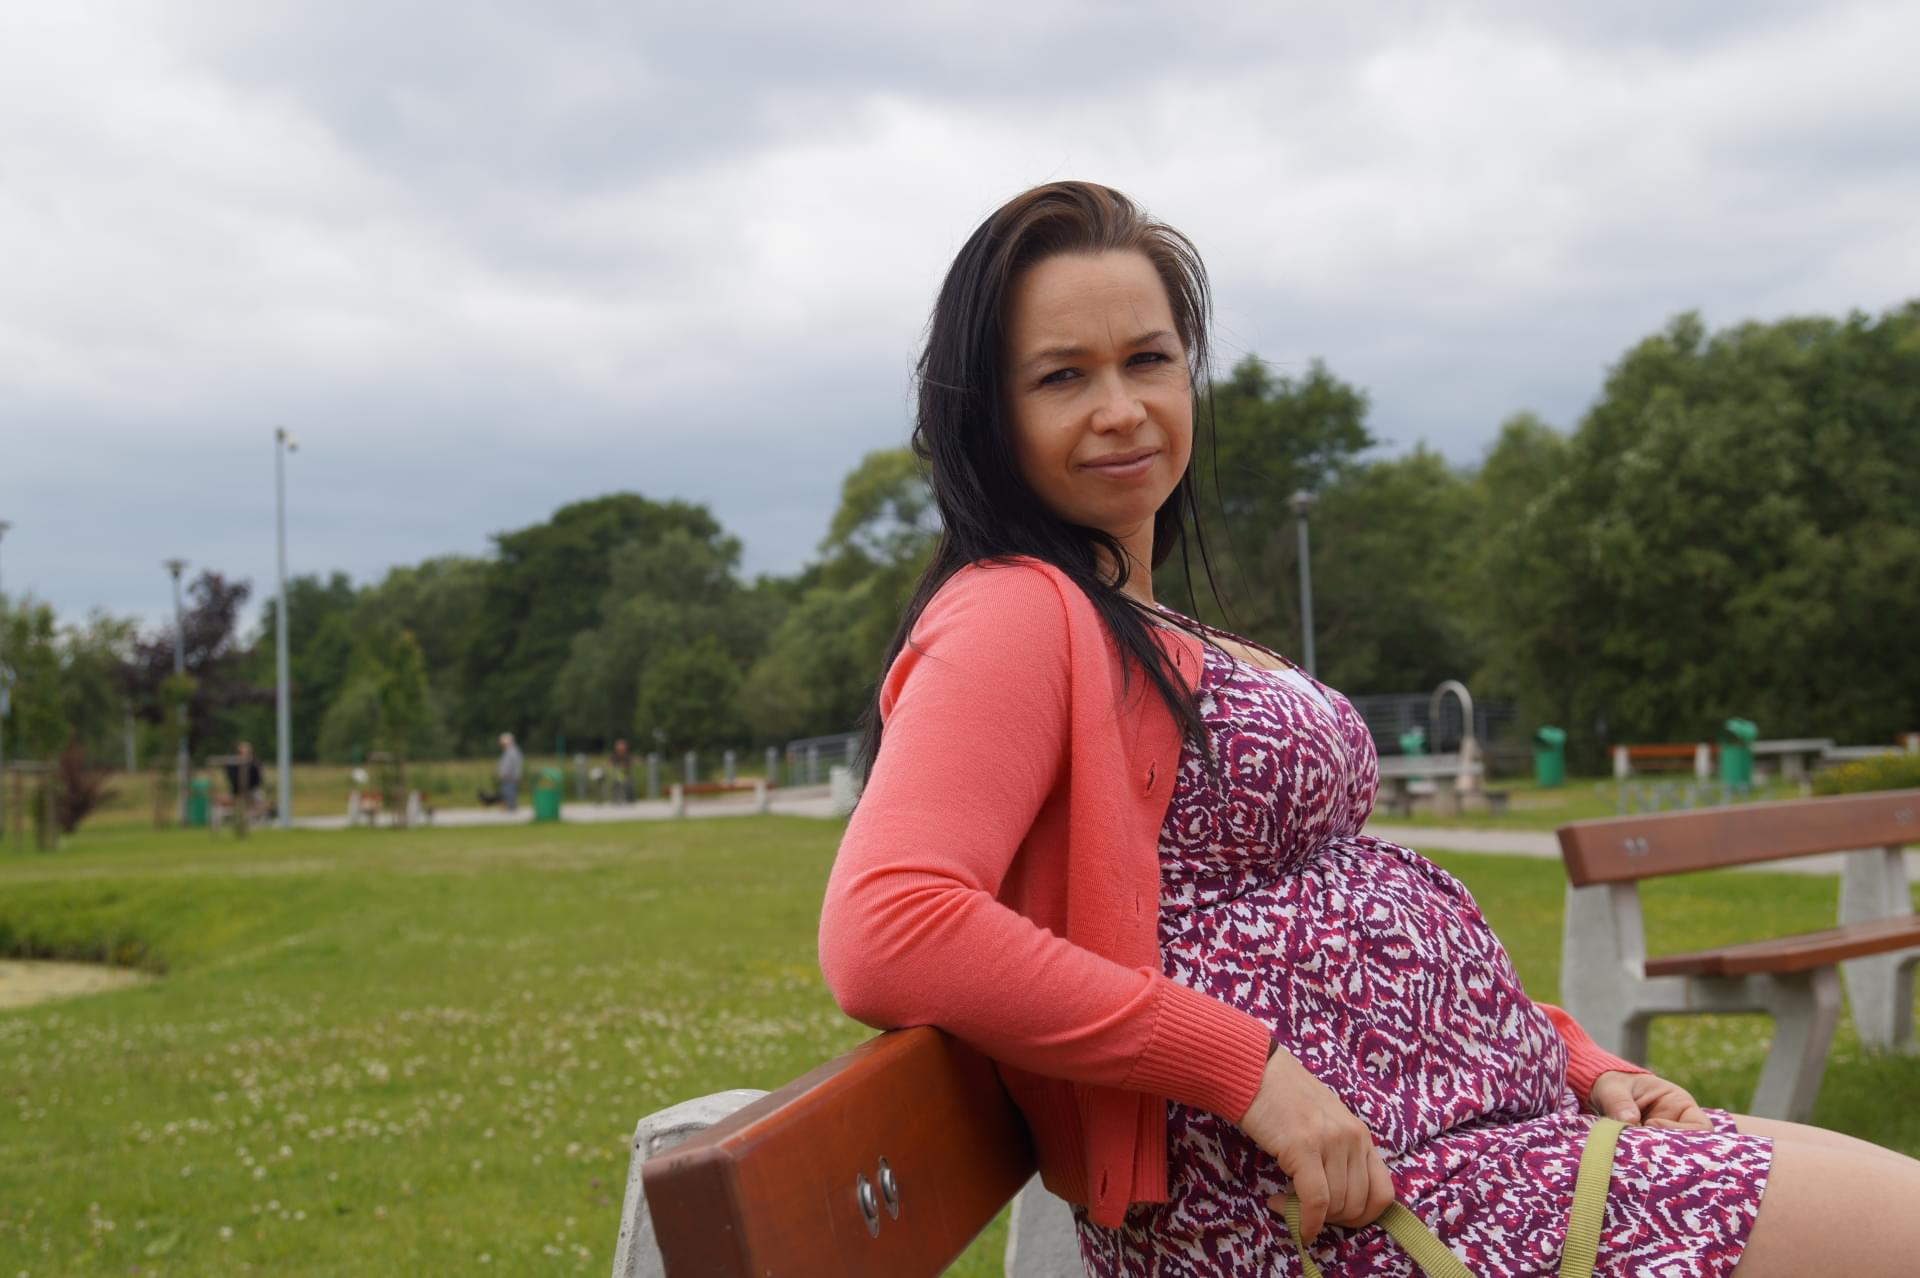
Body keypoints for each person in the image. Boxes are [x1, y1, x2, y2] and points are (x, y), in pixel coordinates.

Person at [817, 182, 1920, 1276]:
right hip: (1331, 1211)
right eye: (1063, 376)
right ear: (989, 415)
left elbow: (1343, 923)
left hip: (1471, 1143)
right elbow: (889, 924)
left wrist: (1575, 1059)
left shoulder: (1152, 623)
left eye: (1148, 359)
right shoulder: (1013, 608)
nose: (1121, 408)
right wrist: (1251, 1072)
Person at [495, 732, 523, 813]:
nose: (501, 745)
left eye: (502, 743)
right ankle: (510, 807)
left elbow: (512, 764)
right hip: (508, 776)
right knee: (507, 792)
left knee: (509, 792)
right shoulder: (509, 751)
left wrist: (507, 774)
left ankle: (511, 808)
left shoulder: (512, 751)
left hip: (510, 777)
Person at [609, 738, 634, 803]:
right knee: (615, 783)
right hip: (616, 775)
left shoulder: (627, 756)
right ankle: (615, 799)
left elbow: (629, 765)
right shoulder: (614, 756)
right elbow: (610, 764)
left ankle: (630, 798)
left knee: (628, 783)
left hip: (626, 775)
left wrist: (624, 767)